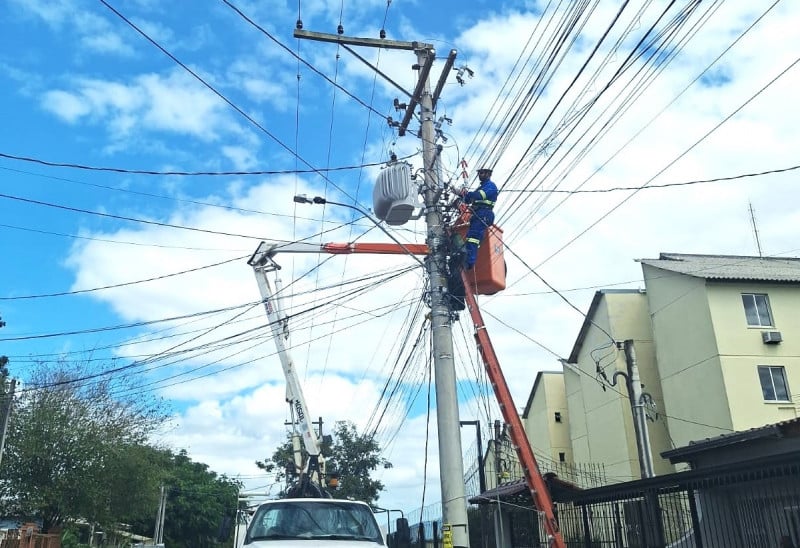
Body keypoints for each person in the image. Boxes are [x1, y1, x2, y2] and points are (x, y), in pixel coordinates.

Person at [460, 167, 498, 269]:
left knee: (474, 237)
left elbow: (479, 196)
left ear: (488, 174)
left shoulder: (490, 186)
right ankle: (469, 259)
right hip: (478, 214)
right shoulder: (481, 187)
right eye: (479, 173)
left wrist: (468, 194)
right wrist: (461, 194)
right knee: (471, 236)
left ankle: (469, 262)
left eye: (482, 173)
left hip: (484, 213)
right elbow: (468, 199)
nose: (480, 175)